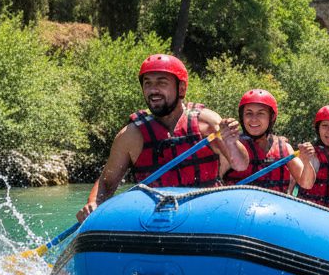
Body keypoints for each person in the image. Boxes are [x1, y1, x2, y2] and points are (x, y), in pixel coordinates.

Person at [76, 54, 247, 222]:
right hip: (157, 220)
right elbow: (107, 183)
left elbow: (240, 165)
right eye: (148, 83)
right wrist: (93, 204)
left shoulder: (207, 123)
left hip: (205, 214)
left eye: (161, 83)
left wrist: (231, 142)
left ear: (181, 88)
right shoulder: (131, 135)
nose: (153, 90)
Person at [223, 88, 316, 192]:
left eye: (261, 113)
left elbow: (307, 184)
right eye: (249, 113)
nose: (254, 119)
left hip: (274, 207)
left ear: (271, 117)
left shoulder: (284, 148)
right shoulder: (231, 145)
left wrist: (306, 161)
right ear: (242, 117)